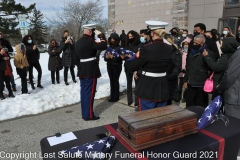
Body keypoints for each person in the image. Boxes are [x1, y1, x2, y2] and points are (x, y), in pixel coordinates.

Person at [128, 20, 173, 111]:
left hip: (148, 87)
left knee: (145, 119)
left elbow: (132, 66)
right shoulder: (169, 48)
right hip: (163, 86)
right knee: (160, 117)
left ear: (152, 33)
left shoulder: (146, 48)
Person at [75, 24, 107, 121]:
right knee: (90, 93)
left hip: (82, 70)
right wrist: (101, 35)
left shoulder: (78, 42)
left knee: (84, 93)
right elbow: (103, 45)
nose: (93, 33)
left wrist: (81, 66)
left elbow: (76, 58)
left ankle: (85, 113)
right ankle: (88, 115)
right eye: (93, 31)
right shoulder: (90, 41)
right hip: (90, 70)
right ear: (90, 31)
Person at [184, 35, 215, 108]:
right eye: (193, 43)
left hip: (201, 84)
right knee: (189, 104)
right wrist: (185, 80)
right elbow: (188, 66)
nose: (194, 44)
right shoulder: (191, 52)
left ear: (202, 44)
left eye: (196, 43)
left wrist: (206, 57)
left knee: (200, 105)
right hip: (190, 83)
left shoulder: (208, 53)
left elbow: (211, 67)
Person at [217, 44, 240, 119]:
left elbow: (229, 77)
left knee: (233, 126)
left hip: (235, 98)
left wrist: (220, 87)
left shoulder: (239, 54)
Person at [120, 30, 142, 106]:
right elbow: (123, 54)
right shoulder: (127, 44)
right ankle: (129, 100)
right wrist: (123, 56)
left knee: (137, 84)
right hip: (128, 66)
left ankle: (137, 101)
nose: (130, 38)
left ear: (135, 36)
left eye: (131, 36)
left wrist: (133, 56)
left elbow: (140, 56)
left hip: (136, 67)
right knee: (128, 83)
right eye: (128, 36)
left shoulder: (139, 44)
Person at [164, 34, 182, 105]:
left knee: (169, 100)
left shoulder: (176, 52)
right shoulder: (161, 51)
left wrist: (170, 76)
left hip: (170, 79)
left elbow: (178, 67)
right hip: (161, 79)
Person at [104, 33, 122, 102]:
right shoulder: (109, 47)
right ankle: (112, 95)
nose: (112, 40)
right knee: (111, 81)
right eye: (111, 39)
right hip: (109, 66)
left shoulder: (120, 47)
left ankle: (116, 96)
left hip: (117, 66)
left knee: (115, 80)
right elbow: (105, 58)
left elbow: (120, 58)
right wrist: (107, 57)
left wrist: (113, 57)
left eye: (114, 39)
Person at [178, 36, 193, 103]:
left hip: (184, 69)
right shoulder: (187, 43)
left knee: (183, 84)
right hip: (184, 69)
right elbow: (184, 55)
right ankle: (181, 97)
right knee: (182, 84)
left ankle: (182, 96)